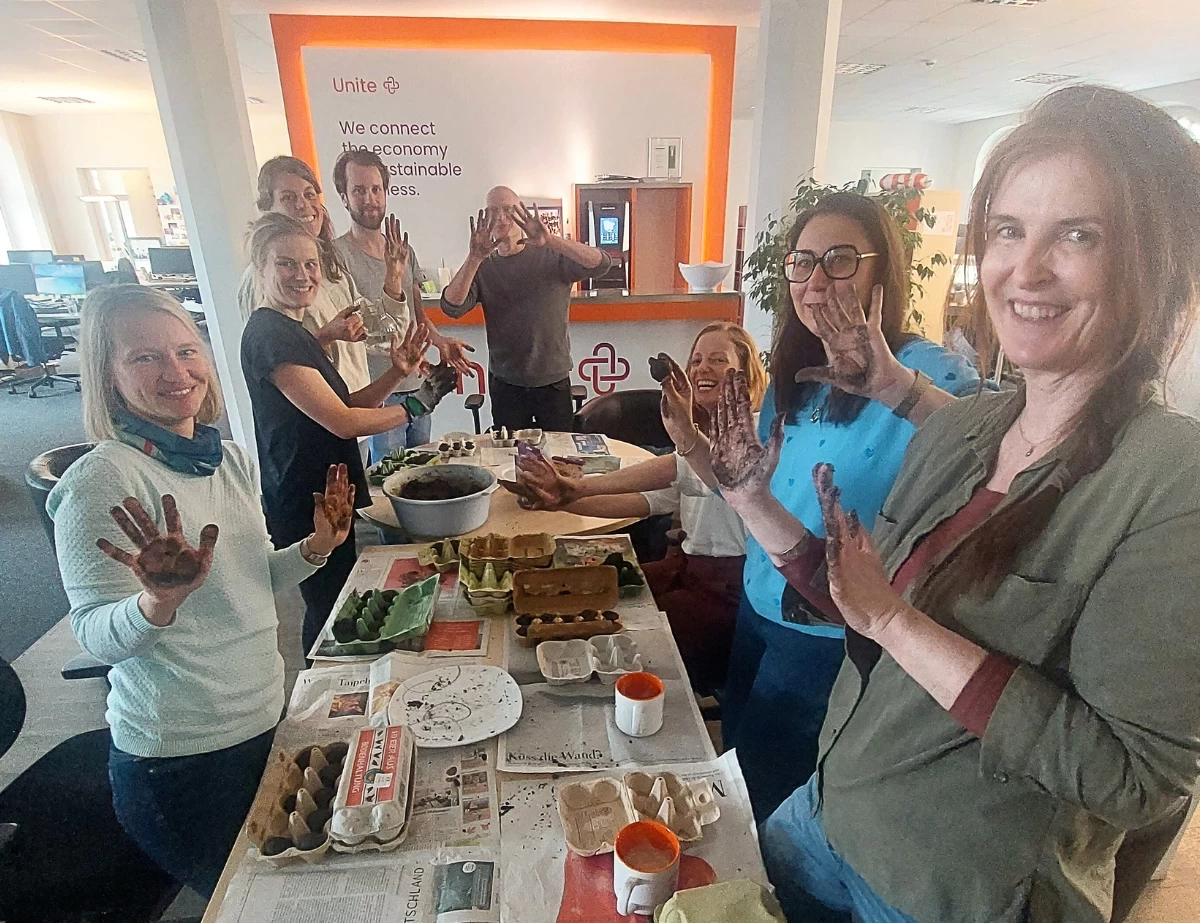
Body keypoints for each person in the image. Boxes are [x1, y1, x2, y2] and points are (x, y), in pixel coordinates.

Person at [710, 85, 1200, 923]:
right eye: (1009, 229)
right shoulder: (965, 428)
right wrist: (751, 498)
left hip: (945, 892)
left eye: (1077, 234)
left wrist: (899, 623)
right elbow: (860, 606)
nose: (1026, 269)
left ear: (1158, 260)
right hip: (826, 817)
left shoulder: (1169, 478)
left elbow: (1134, 777)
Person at [680, 192, 987, 822]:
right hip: (761, 603)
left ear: (881, 274)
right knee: (736, 765)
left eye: (840, 260)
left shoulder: (928, 371)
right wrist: (690, 443)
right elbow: (755, 497)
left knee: (778, 799)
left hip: (831, 632)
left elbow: (991, 453)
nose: (816, 280)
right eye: (802, 262)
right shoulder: (791, 375)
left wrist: (895, 387)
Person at [46, 285, 355, 897]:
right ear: (107, 377)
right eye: (145, 357)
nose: (176, 372)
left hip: (262, 722)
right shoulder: (101, 479)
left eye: (187, 351)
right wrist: (157, 602)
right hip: (181, 765)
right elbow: (94, 635)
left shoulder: (227, 459)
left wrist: (316, 546)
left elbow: (252, 579)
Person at [240, 212, 456, 656]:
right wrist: (417, 405)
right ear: (261, 267)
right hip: (305, 498)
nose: (302, 275)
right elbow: (343, 421)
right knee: (327, 608)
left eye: (310, 264)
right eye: (286, 264)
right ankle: (320, 687)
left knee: (338, 600)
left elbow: (348, 404)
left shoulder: (295, 331)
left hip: (328, 491)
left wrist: (395, 374)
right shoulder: (270, 336)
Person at [513, 322, 767, 690]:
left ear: (745, 375)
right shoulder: (700, 436)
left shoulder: (754, 430)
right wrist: (562, 503)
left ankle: (645, 704)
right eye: (696, 360)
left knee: (619, 640)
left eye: (717, 360)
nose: (702, 368)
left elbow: (676, 469)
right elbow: (646, 501)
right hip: (685, 570)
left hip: (730, 593)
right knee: (589, 595)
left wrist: (577, 487)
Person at [331, 149, 474, 456]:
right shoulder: (336, 256)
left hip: (417, 386)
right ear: (344, 197)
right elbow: (353, 329)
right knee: (388, 476)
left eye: (376, 189)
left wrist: (440, 342)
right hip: (376, 394)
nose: (370, 199)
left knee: (422, 470)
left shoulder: (402, 250)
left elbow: (417, 318)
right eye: (359, 190)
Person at [441, 185, 610, 432]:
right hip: (506, 384)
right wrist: (474, 257)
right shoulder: (483, 266)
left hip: (552, 381)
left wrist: (551, 240)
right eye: (493, 211)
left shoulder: (551, 255)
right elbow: (451, 307)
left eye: (508, 210)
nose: (501, 218)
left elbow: (601, 263)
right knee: (510, 452)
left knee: (558, 451)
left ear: (522, 213)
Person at [237, 156, 371, 397]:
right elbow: (273, 358)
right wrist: (326, 335)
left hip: (357, 403)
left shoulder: (332, 268)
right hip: (317, 412)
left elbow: (368, 329)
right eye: (288, 198)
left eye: (310, 195)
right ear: (267, 209)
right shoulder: (259, 279)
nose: (303, 205)